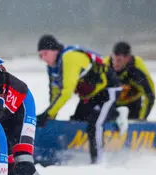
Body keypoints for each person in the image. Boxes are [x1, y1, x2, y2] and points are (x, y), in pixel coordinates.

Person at [36, 34, 127, 164]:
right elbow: (55, 94)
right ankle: (113, 114)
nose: (43, 58)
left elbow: (66, 92)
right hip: (91, 96)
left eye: (45, 53)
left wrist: (47, 114)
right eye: (40, 55)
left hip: (108, 90)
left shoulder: (69, 58)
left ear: (55, 50)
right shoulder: (52, 66)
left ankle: (98, 162)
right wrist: (50, 117)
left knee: (95, 124)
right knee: (76, 121)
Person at [103, 41, 155, 120]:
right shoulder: (104, 66)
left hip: (133, 102)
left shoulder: (137, 69)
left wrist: (142, 119)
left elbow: (150, 95)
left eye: (119, 60)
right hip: (111, 101)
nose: (115, 63)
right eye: (114, 59)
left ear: (128, 58)